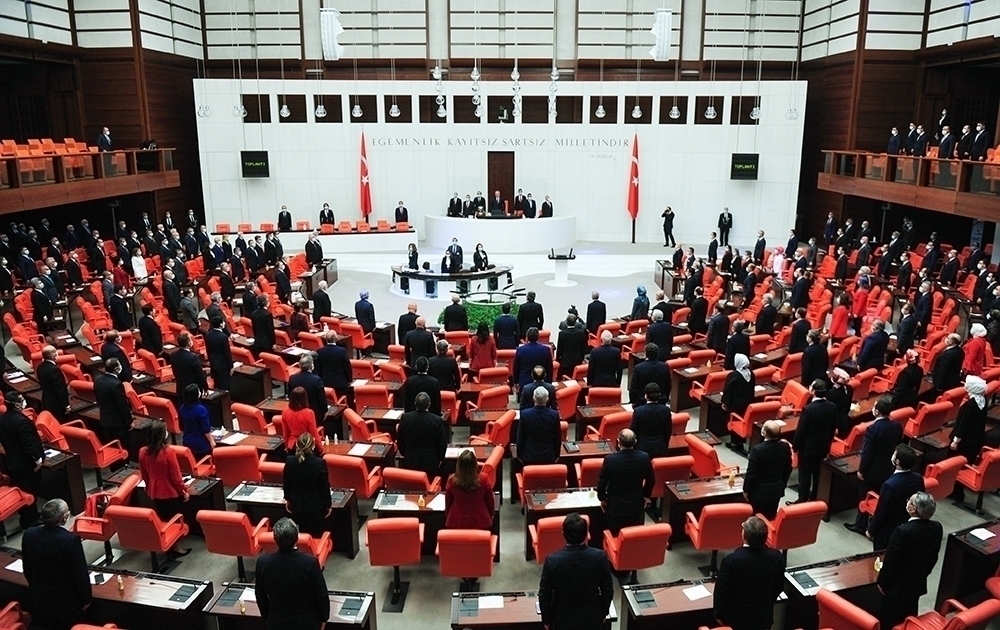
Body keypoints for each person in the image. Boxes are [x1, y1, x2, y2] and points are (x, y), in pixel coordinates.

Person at [21, 499, 92, 630]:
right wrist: (87, 599)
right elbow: (79, 574)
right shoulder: (70, 540)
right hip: (66, 604)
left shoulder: (29, 534)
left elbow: (27, 568)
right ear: (64, 517)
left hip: (38, 599)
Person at [877, 492, 943, 629]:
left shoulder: (902, 531)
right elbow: (933, 557)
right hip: (917, 584)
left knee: (889, 621)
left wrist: (882, 582)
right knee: (909, 619)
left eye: (910, 501)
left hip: (896, 588)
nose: (907, 502)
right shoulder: (937, 527)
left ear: (913, 509)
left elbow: (891, 561)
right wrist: (922, 574)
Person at [538, 512, 614, 630]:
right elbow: (607, 589)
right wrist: (604, 612)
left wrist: (547, 620)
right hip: (592, 619)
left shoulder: (552, 561)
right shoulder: (600, 557)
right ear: (586, 534)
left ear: (563, 533)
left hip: (562, 621)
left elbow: (544, 595)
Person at [255, 517, 330, 630]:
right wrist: (324, 618)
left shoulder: (263, 563)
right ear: (297, 537)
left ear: (275, 539)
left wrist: (267, 617)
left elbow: (260, 596)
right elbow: (321, 594)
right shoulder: (309, 563)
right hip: (307, 623)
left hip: (277, 623)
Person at [713, 516, 785, 630]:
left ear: (744, 536)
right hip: (762, 616)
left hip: (735, 619)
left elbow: (721, 591)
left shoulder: (731, 560)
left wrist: (718, 613)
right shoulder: (777, 557)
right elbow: (779, 586)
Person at [845, 396, 903, 535]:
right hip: (887, 468)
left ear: (877, 411)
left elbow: (867, 453)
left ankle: (861, 524)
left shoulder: (873, 429)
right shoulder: (897, 426)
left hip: (871, 470)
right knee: (878, 496)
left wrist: (862, 471)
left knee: (864, 496)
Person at [597, 428, 654, 559]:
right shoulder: (644, 457)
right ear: (635, 442)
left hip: (615, 507)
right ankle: (632, 560)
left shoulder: (610, 460)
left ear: (618, 442)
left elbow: (601, 482)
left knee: (616, 537)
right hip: (636, 505)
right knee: (634, 537)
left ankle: (617, 561)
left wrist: (602, 499)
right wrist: (645, 496)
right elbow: (651, 480)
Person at [138, 420, 190, 557]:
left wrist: (148, 488)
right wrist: (184, 491)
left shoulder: (142, 452)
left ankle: (168, 545)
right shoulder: (169, 452)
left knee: (165, 519)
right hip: (171, 492)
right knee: (175, 520)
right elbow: (176, 477)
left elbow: (144, 474)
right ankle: (176, 547)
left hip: (154, 492)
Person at [868, 444, 925, 550]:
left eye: (894, 454)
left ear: (897, 461)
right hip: (907, 526)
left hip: (887, 532)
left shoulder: (889, 485)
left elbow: (882, 511)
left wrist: (871, 530)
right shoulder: (918, 478)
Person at [0, 391, 43, 528]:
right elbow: (28, 444)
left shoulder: (2, 419)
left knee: (22, 489)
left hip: (12, 461)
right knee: (31, 490)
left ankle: (27, 516)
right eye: (21, 400)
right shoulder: (22, 422)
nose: (24, 401)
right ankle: (30, 519)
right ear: (17, 405)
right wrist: (37, 459)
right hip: (26, 463)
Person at [791, 380, 838, 504]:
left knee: (805, 474)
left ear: (813, 391)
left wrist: (795, 446)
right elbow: (832, 428)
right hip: (823, 446)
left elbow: (801, 430)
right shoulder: (832, 407)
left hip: (807, 448)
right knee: (817, 473)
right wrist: (828, 445)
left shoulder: (808, 409)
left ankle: (802, 498)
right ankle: (815, 495)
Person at [281, 433, 330, 538]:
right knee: (316, 537)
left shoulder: (290, 461)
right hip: (316, 507)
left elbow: (287, 483)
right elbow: (324, 487)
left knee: (300, 537)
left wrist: (288, 499)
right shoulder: (320, 463)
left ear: (297, 445)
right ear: (313, 446)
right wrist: (328, 505)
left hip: (296, 506)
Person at [743, 421, 793, 519]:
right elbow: (788, 468)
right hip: (776, 490)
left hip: (758, 493)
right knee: (771, 517)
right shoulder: (785, 446)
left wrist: (746, 489)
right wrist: (782, 484)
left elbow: (751, 473)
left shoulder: (757, 450)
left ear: (764, 433)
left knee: (757, 519)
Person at [949, 376, 988, 501]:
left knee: (955, 465)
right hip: (975, 441)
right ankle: (958, 491)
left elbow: (963, 424)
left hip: (964, 442)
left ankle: (954, 491)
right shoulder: (983, 401)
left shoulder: (969, 405)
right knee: (966, 464)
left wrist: (956, 441)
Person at [397, 392, 448, 478]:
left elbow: (400, 439)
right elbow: (442, 442)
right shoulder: (437, 420)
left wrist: (405, 454)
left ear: (415, 404)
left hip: (411, 461)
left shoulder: (405, 418)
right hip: (431, 462)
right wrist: (440, 459)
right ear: (429, 405)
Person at [445, 450, 495, 529]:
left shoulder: (451, 480)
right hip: (480, 520)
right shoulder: (484, 479)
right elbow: (490, 502)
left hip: (456, 521)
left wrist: (448, 516)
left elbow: (448, 503)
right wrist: (491, 515)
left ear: (458, 465)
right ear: (475, 464)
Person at [516, 388, 561, 465]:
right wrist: (557, 455)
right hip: (549, 455)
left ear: (533, 399)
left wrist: (519, 455)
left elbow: (520, 437)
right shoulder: (554, 415)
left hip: (529, 455)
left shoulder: (524, 414)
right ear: (547, 399)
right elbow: (557, 437)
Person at [94, 358, 134, 444]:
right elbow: (122, 405)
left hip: (105, 420)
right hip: (118, 423)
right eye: (119, 364)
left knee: (111, 444)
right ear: (116, 369)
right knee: (122, 446)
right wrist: (129, 421)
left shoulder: (98, 379)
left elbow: (98, 398)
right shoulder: (116, 384)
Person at [723, 354, 756, 452]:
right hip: (747, 403)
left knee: (733, 421)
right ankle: (741, 442)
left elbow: (727, 390)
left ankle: (734, 443)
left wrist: (725, 402)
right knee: (743, 420)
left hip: (734, 404)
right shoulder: (751, 374)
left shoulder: (733, 375)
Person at [629, 384, 671, 458]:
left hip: (642, 448)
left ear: (645, 396)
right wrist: (665, 445)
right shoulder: (666, 410)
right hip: (660, 447)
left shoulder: (638, 411)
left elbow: (633, 431)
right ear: (659, 395)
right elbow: (667, 431)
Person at [287, 355, 328, 426]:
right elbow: (322, 398)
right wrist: (325, 410)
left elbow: (290, 396)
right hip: (314, 413)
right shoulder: (317, 380)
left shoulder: (292, 378)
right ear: (311, 366)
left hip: (296, 411)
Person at [315, 331, 351, 403]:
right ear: (336, 338)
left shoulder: (320, 351)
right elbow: (347, 367)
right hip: (341, 383)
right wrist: (349, 379)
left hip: (326, 382)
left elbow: (319, 368)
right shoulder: (342, 351)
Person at [179, 383, 214, 460]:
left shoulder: (182, 408)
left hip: (187, 443)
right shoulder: (201, 410)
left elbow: (181, 427)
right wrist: (212, 441)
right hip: (201, 445)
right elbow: (206, 430)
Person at [36, 345, 70, 420]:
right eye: (55, 352)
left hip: (46, 401)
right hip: (56, 404)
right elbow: (59, 389)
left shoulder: (40, 367)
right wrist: (66, 405)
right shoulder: (54, 370)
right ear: (52, 356)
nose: (57, 353)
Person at [206, 316, 233, 391]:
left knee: (217, 384)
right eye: (223, 322)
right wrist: (231, 366)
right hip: (223, 364)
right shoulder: (223, 337)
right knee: (224, 385)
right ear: (221, 325)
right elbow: (227, 353)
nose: (224, 323)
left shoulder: (208, 334)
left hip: (213, 362)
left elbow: (208, 350)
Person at [827, 368, 855, 436]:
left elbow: (830, 412)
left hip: (836, 424)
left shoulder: (831, 393)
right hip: (844, 420)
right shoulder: (850, 388)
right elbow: (848, 406)